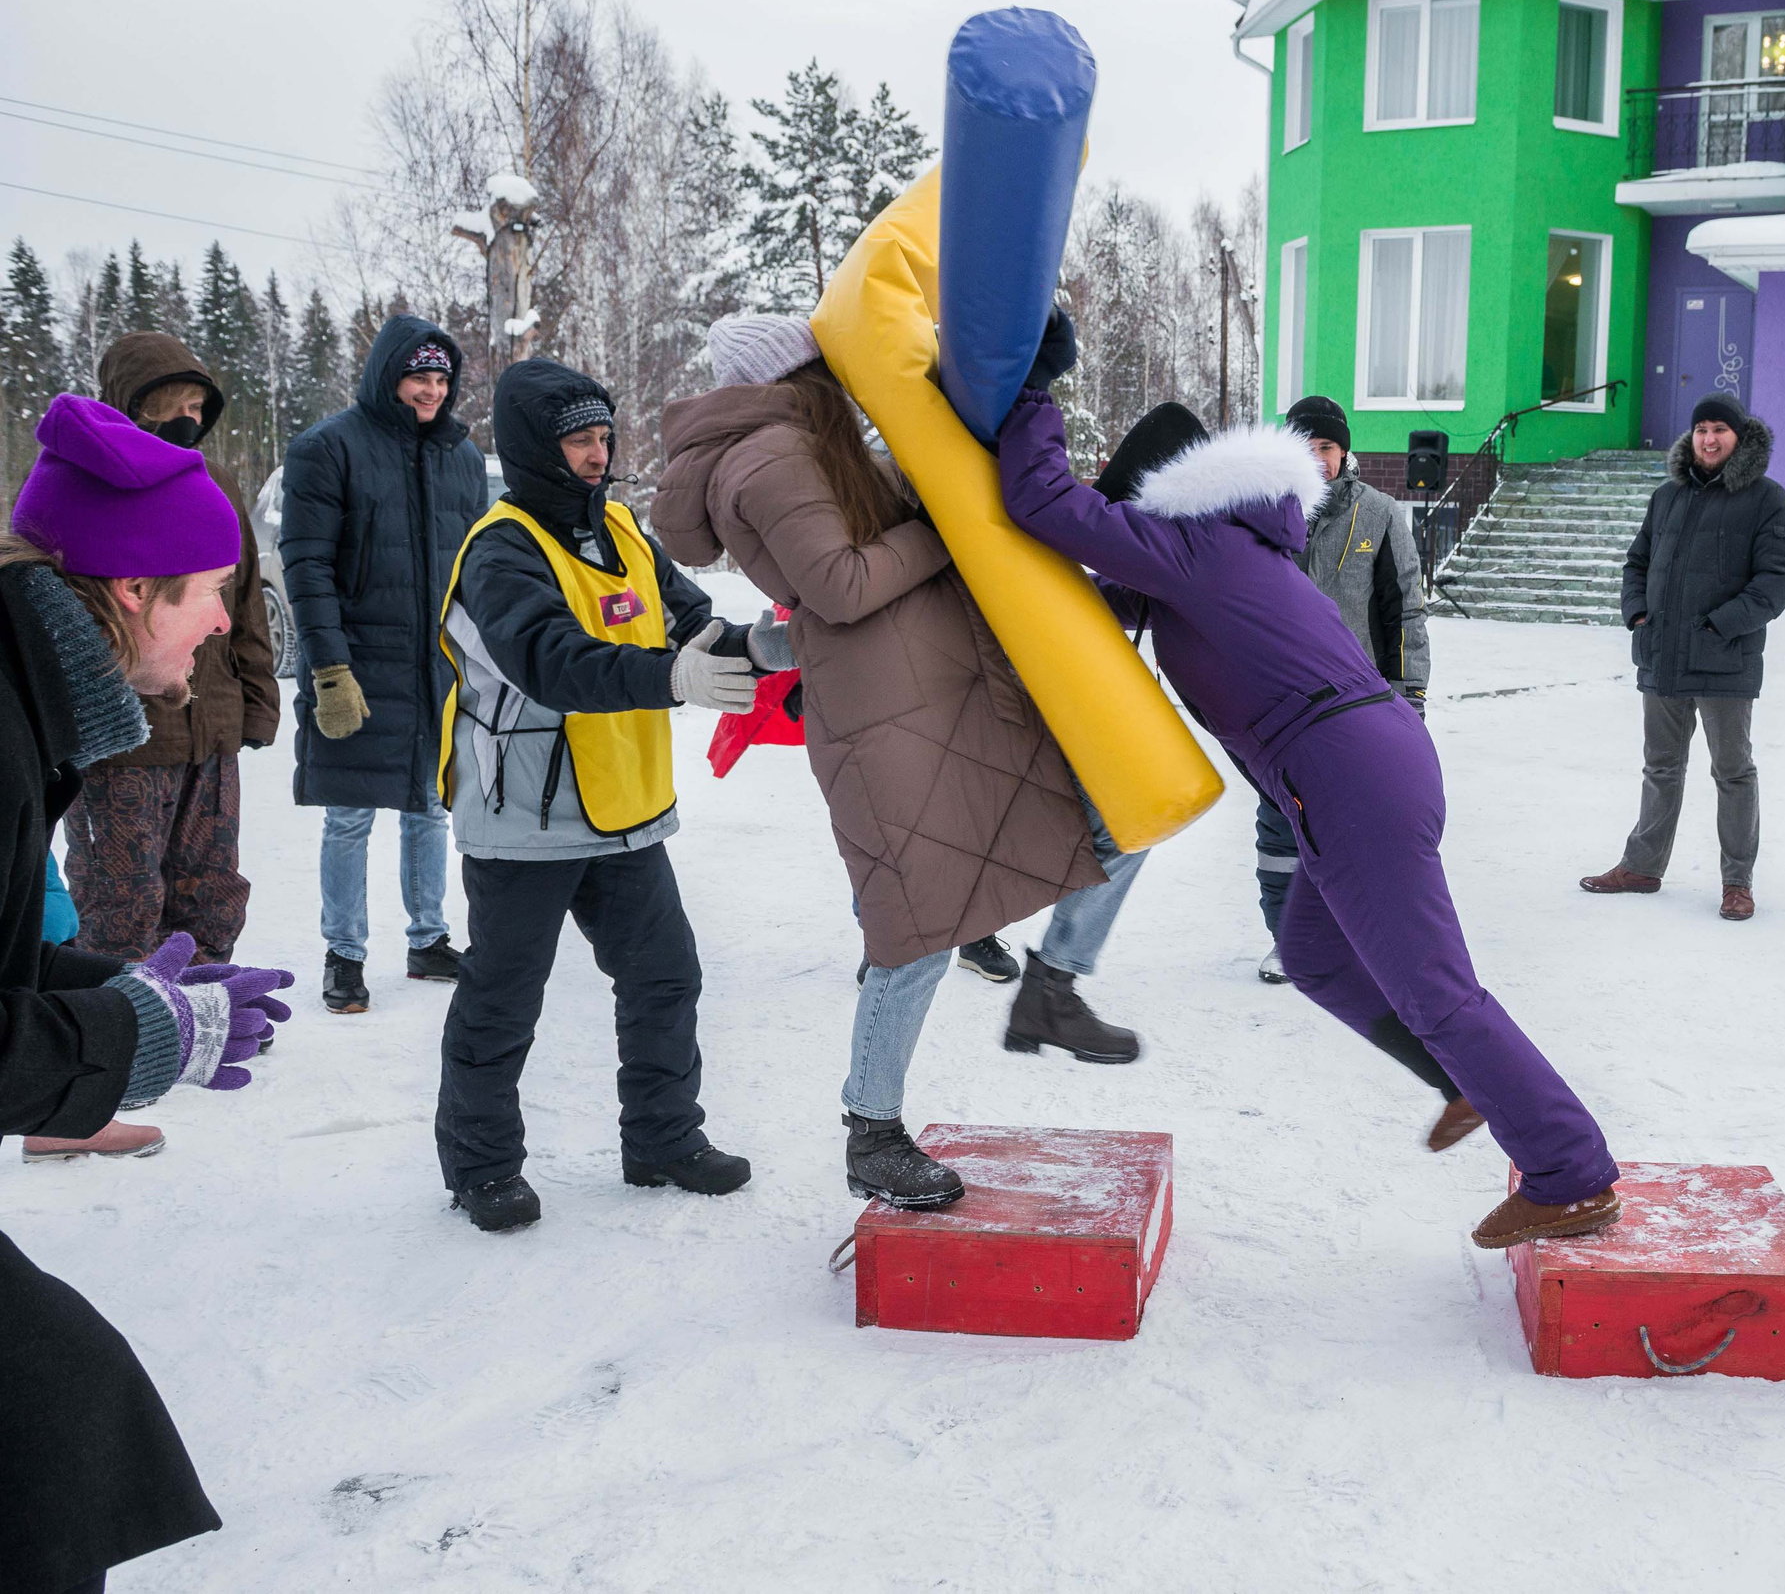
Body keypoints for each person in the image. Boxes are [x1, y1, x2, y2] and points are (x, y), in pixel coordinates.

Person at [997, 386, 1620, 1248]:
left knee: (1436, 989)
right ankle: (1468, 1080)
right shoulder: (1230, 546)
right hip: (1359, 760)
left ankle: (1571, 1169)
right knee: (1316, 956)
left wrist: (1031, 386)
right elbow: (1117, 611)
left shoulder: (1189, 545)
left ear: (1150, 495)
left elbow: (1039, 499)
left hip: (1344, 772)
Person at [654, 312, 1149, 1209]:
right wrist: (948, 525)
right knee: (914, 930)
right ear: (801, 373)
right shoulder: (770, 459)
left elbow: (828, 580)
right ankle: (872, 1132)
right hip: (885, 720)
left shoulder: (797, 446)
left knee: (1122, 811)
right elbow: (842, 585)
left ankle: (1053, 985)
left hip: (927, 697)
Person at [3, 394, 292, 1593]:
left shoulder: (28, 697)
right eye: (207, 588)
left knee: (57, 1426)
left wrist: (119, 987)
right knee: (58, 1426)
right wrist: (134, 1032)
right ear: (130, 589)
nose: (226, 618)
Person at [431, 358, 766, 1233]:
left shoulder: (619, 528)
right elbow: (553, 660)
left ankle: (662, 1138)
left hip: (620, 806)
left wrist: (755, 648)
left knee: (664, 978)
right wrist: (676, 678)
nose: (597, 453)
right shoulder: (499, 551)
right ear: (535, 450)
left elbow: (691, 620)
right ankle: (481, 1166)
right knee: (504, 997)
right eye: (579, 439)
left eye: (603, 435)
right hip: (524, 815)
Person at [37, 334, 277, 1165]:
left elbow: (244, 608)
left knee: (211, 881)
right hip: (124, 740)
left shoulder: (220, 487)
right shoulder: (92, 489)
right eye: (167, 400)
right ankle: (84, 1073)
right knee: (119, 892)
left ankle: (199, 1018)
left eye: (196, 402)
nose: (186, 413)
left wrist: (255, 694)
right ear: (127, 402)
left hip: (208, 727)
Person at [280, 315, 486, 1014]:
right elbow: (307, 567)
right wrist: (328, 670)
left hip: (436, 669)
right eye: (417, 375)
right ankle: (344, 954)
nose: (430, 389)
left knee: (429, 808)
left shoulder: (459, 456)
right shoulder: (328, 448)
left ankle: (428, 938)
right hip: (362, 665)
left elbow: (473, 571)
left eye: (440, 378)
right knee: (350, 817)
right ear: (386, 376)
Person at [1582, 394, 1785, 921]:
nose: (1708, 439)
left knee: (1732, 772)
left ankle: (1737, 883)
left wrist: (1719, 625)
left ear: (1739, 438)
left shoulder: (1767, 498)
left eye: (1719, 430)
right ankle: (1642, 867)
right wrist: (1637, 614)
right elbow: (1637, 562)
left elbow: (1778, 580)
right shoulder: (1668, 495)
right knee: (1660, 767)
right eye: (1701, 429)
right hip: (1662, 657)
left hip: (1724, 658)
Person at [1252, 393, 1430, 986]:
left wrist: (1411, 698)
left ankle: (1362, 940)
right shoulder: (1260, 515)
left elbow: (1405, 612)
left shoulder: (1379, 515)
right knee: (1281, 827)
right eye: (1305, 446)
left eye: (1326, 446)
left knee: (1357, 830)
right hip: (1278, 705)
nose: (1316, 457)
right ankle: (1285, 940)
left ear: (1344, 451)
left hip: (1358, 707)